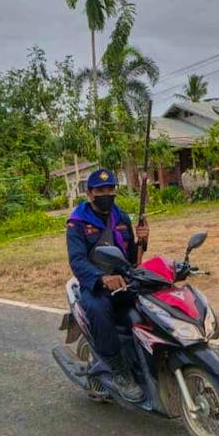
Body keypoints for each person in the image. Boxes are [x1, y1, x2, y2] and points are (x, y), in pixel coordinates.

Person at [66, 168, 150, 402]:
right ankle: (119, 370)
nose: (107, 194)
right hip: (95, 283)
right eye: (101, 190)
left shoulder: (121, 217)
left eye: (110, 189)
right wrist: (102, 278)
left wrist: (143, 239)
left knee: (151, 303)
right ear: (90, 193)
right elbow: (77, 261)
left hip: (124, 279)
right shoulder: (77, 222)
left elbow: (132, 256)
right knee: (100, 310)